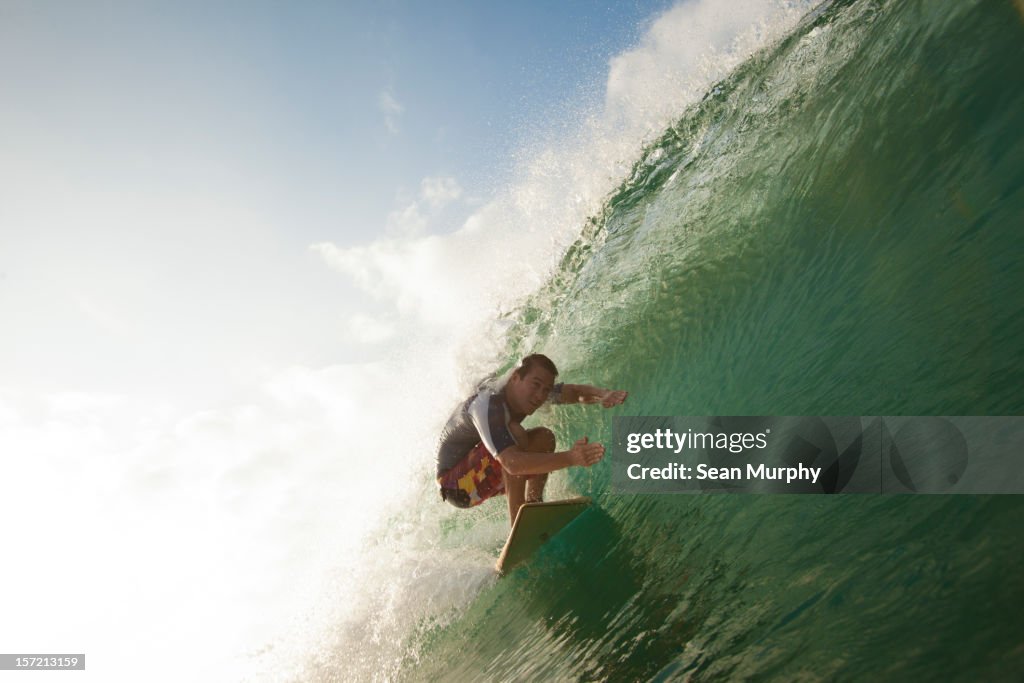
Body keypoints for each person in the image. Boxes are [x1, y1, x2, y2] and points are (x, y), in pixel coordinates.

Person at [435, 353, 628, 525]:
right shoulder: (487, 404)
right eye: (535, 385)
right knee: (515, 435)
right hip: (457, 486)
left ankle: (534, 503)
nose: (540, 396)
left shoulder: (526, 392)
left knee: (544, 438)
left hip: (479, 476)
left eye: (546, 389)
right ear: (515, 378)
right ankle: (518, 520)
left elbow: (575, 393)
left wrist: (604, 395)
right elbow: (512, 463)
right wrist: (573, 458)